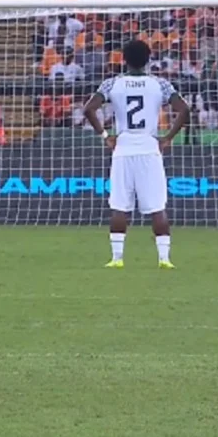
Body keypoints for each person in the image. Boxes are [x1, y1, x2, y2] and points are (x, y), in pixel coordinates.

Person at [82, 40, 190, 269]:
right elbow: (184, 109)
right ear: (149, 59)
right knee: (157, 207)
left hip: (123, 149)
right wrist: (168, 138)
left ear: (124, 59)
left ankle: (117, 258)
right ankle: (164, 259)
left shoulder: (112, 83)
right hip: (149, 149)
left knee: (120, 206)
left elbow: (89, 109)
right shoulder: (160, 84)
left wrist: (105, 135)